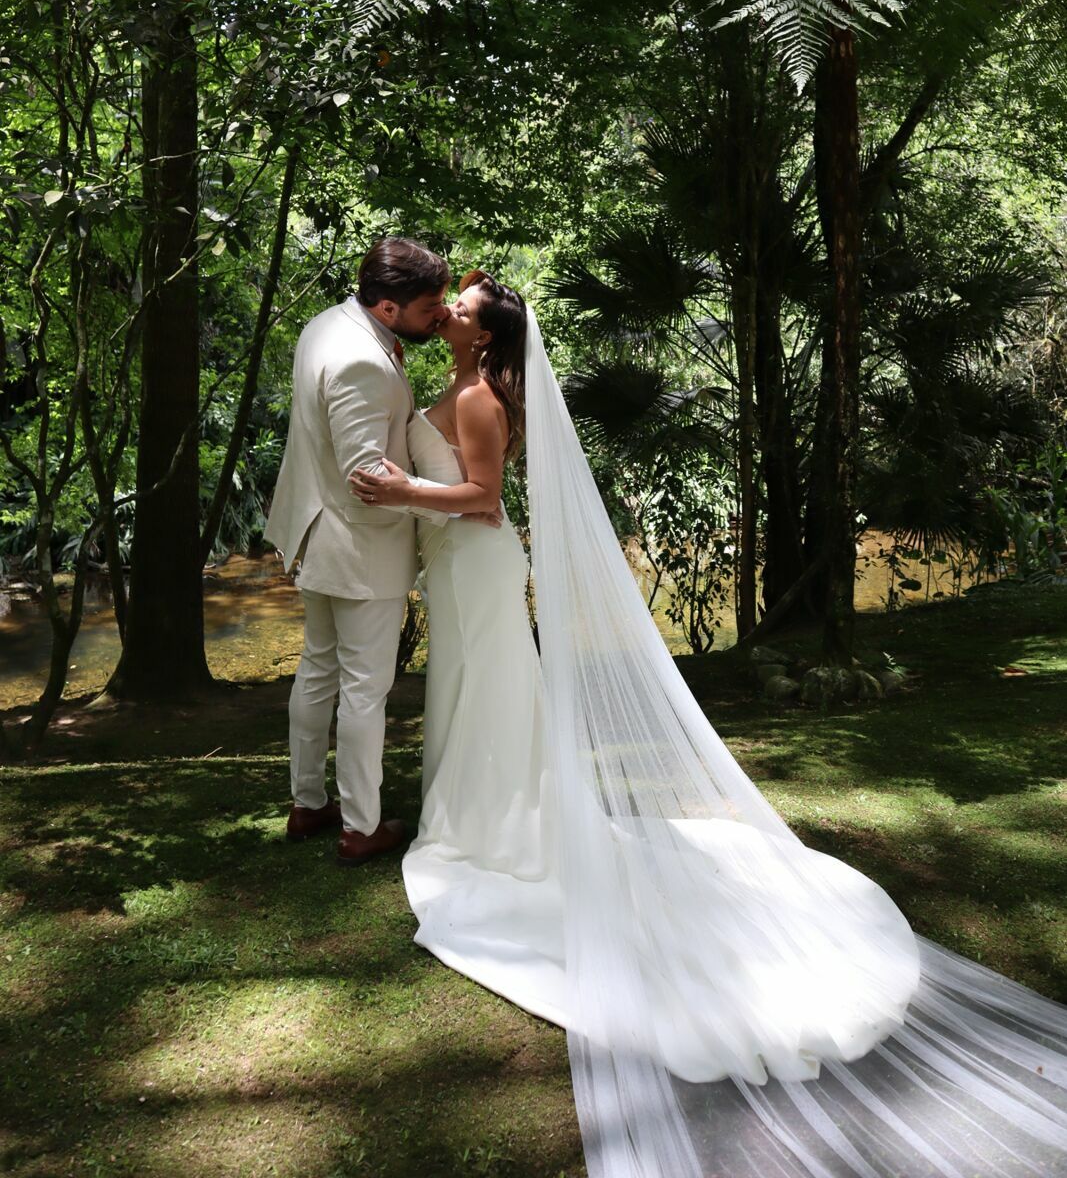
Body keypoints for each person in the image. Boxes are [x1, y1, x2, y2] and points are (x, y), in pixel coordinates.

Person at [351, 270, 1067, 1178]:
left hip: (478, 564)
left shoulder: (483, 397)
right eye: (449, 297)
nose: (448, 304)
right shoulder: (452, 385)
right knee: (474, 697)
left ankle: (493, 827)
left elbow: (486, 500)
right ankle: (478, 813)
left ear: (484, 336)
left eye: (463, 303)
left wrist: (401, 492)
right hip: (456, 573)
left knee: (492, 696)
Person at [265, 237, 467, 866]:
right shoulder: (361, 359)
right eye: (431, 304)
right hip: (357, 545)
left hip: (318, 533)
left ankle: (307, 804)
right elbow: (368, 477)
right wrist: (451, 501)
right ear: (386, 306)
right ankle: (361, 825)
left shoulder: (327, 323)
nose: (441, 313)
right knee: (363, 690)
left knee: (319, 670)